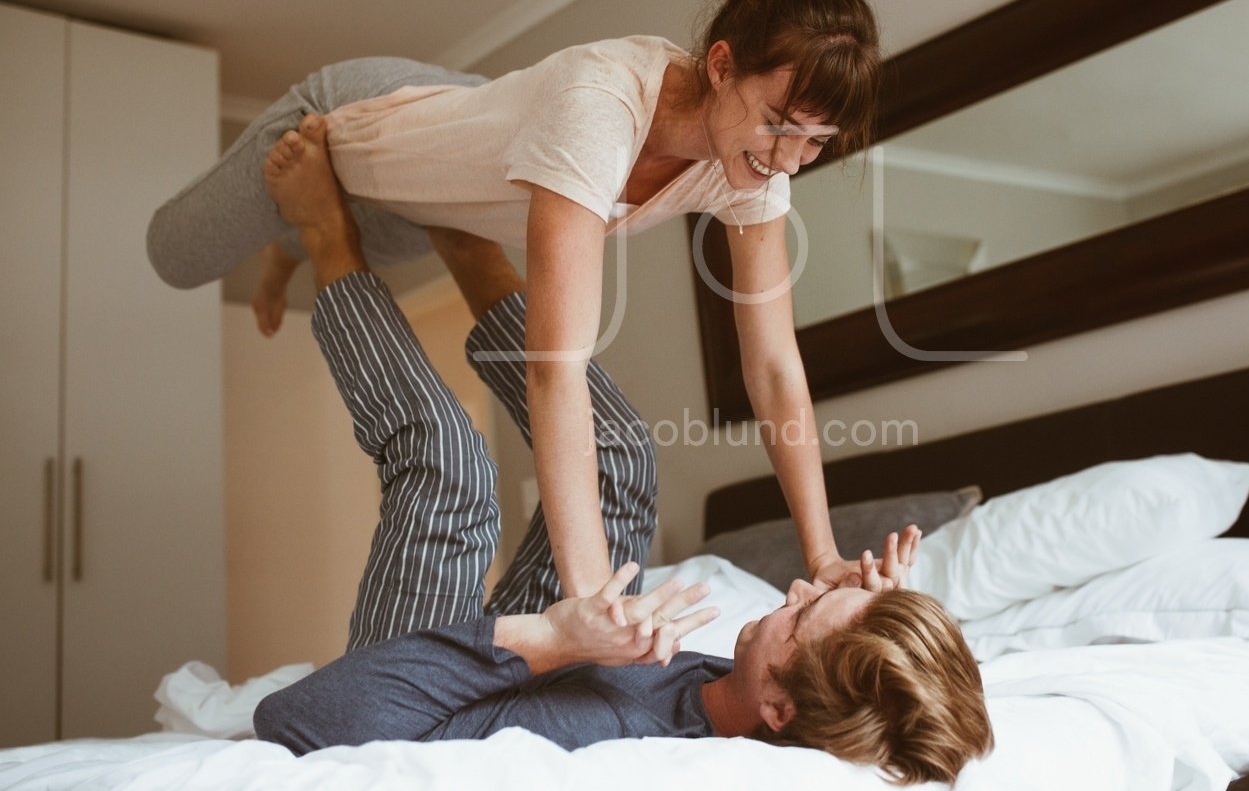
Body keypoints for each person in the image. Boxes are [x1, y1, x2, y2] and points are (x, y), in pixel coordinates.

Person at [147, 0, 889, 606]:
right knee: (175, 257)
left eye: (816, 143)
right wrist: (590, 591)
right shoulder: (600, 110)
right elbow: (553, 367)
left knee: (426, 224)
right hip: (360, 130)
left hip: (457, 190)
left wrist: (821, 556)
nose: (787, 160)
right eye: (778, 124)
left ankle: (296, 243)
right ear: (722, 66)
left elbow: (774, 370)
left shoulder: (753, 169)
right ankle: (295, 231)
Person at [250, 122, 993, 785]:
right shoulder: (780, 699)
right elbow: (926, 719)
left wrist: (548, 637)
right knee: (621, 455)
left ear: (777, 706)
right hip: (547, 669)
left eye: (800, 621)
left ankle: (326, 235)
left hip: (412, 686)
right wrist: (885, 618)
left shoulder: (610, 736)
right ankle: (464, 238)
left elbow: (298, 721)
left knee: (449, 465)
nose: (795, 592)